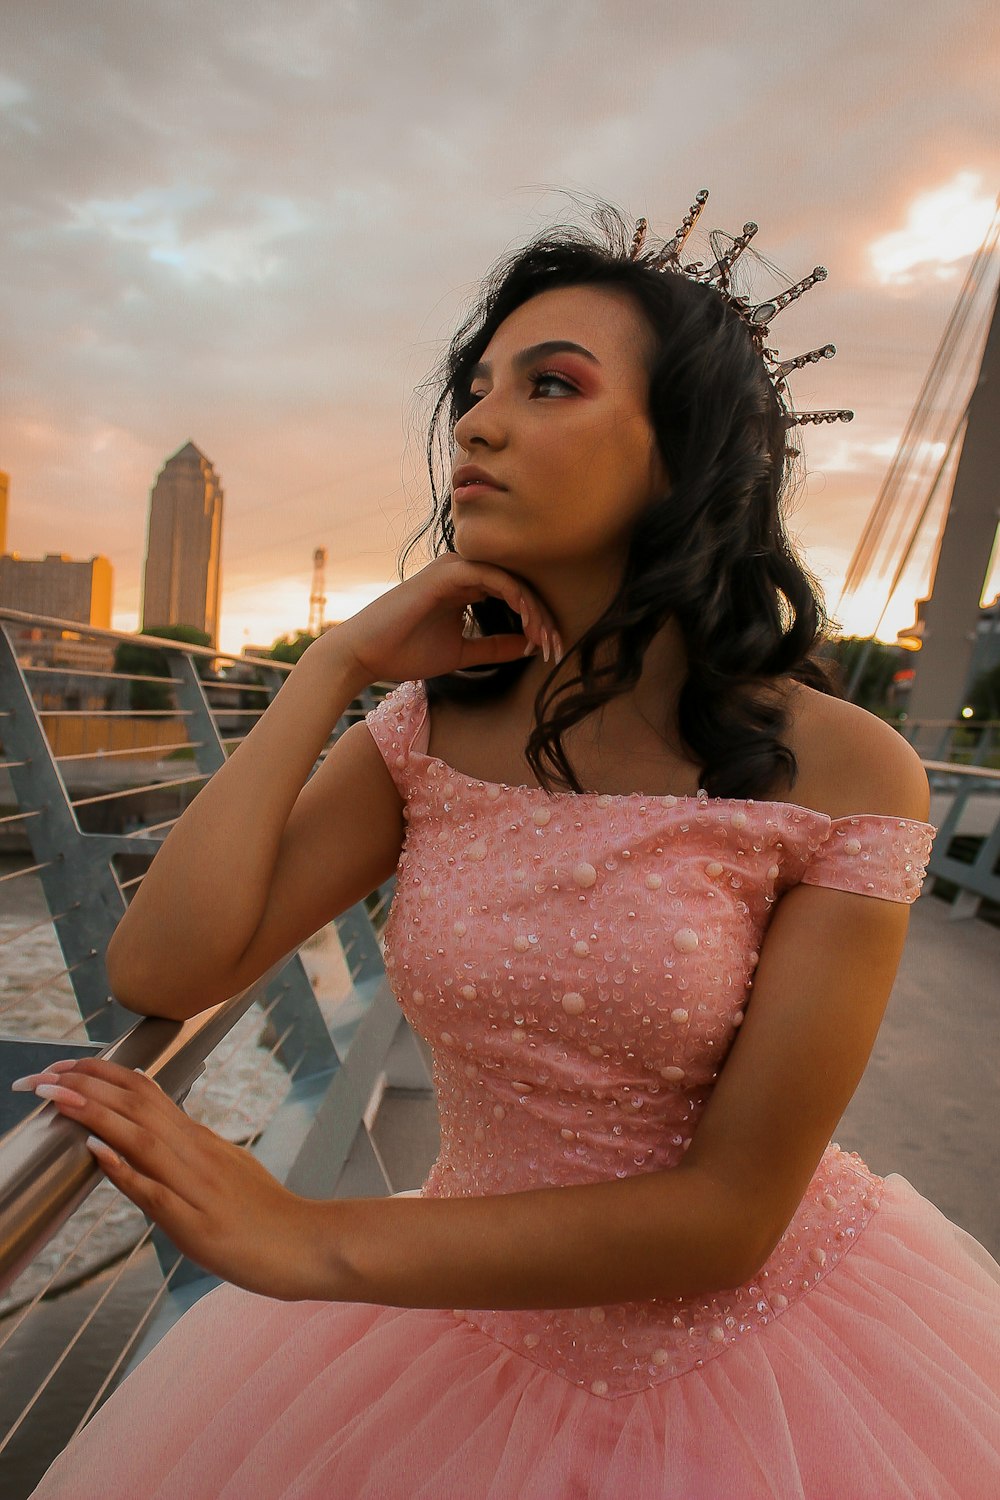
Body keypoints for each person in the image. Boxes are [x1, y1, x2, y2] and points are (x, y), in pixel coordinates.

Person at [18, 193, 1000, 1499]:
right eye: (478, 389)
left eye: (552, 385)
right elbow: (162, 966)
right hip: (449, 1334)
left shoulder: (843, 771)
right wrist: (335, 665)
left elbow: (728, 1218)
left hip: (751, 1375)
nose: (479, 421)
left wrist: (308, 1241)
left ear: (684, 452)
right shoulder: (428, 732)